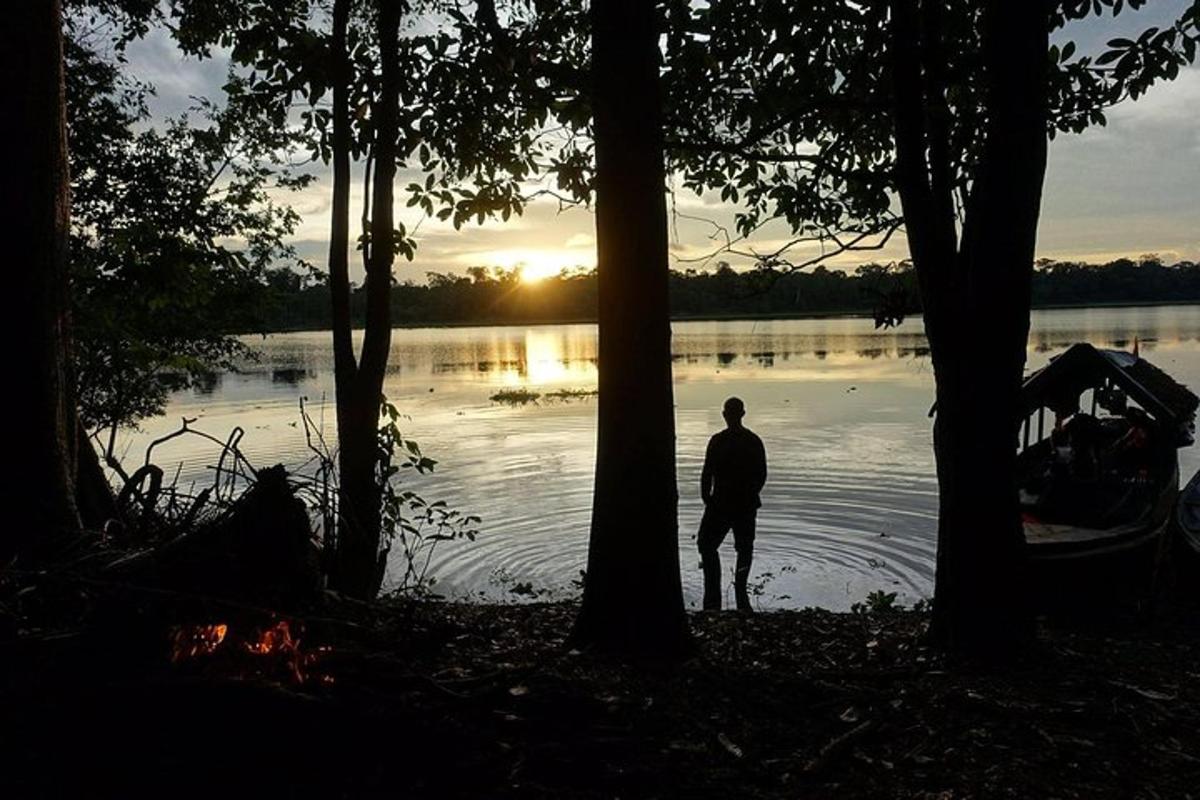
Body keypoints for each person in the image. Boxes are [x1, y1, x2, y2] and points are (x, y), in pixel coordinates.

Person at [698, 397, 767, 611]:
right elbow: (761, 475)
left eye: (729, 413)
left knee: (708, 545)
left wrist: (706, 496)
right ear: (742, 414)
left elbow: (707, 472)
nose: (729, 416)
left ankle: (716, 595)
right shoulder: (752, 440)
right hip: (737, 503)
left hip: (723, 503)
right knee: (740, 548)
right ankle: (733, 591)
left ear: (725, 415)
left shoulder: (719, 440)